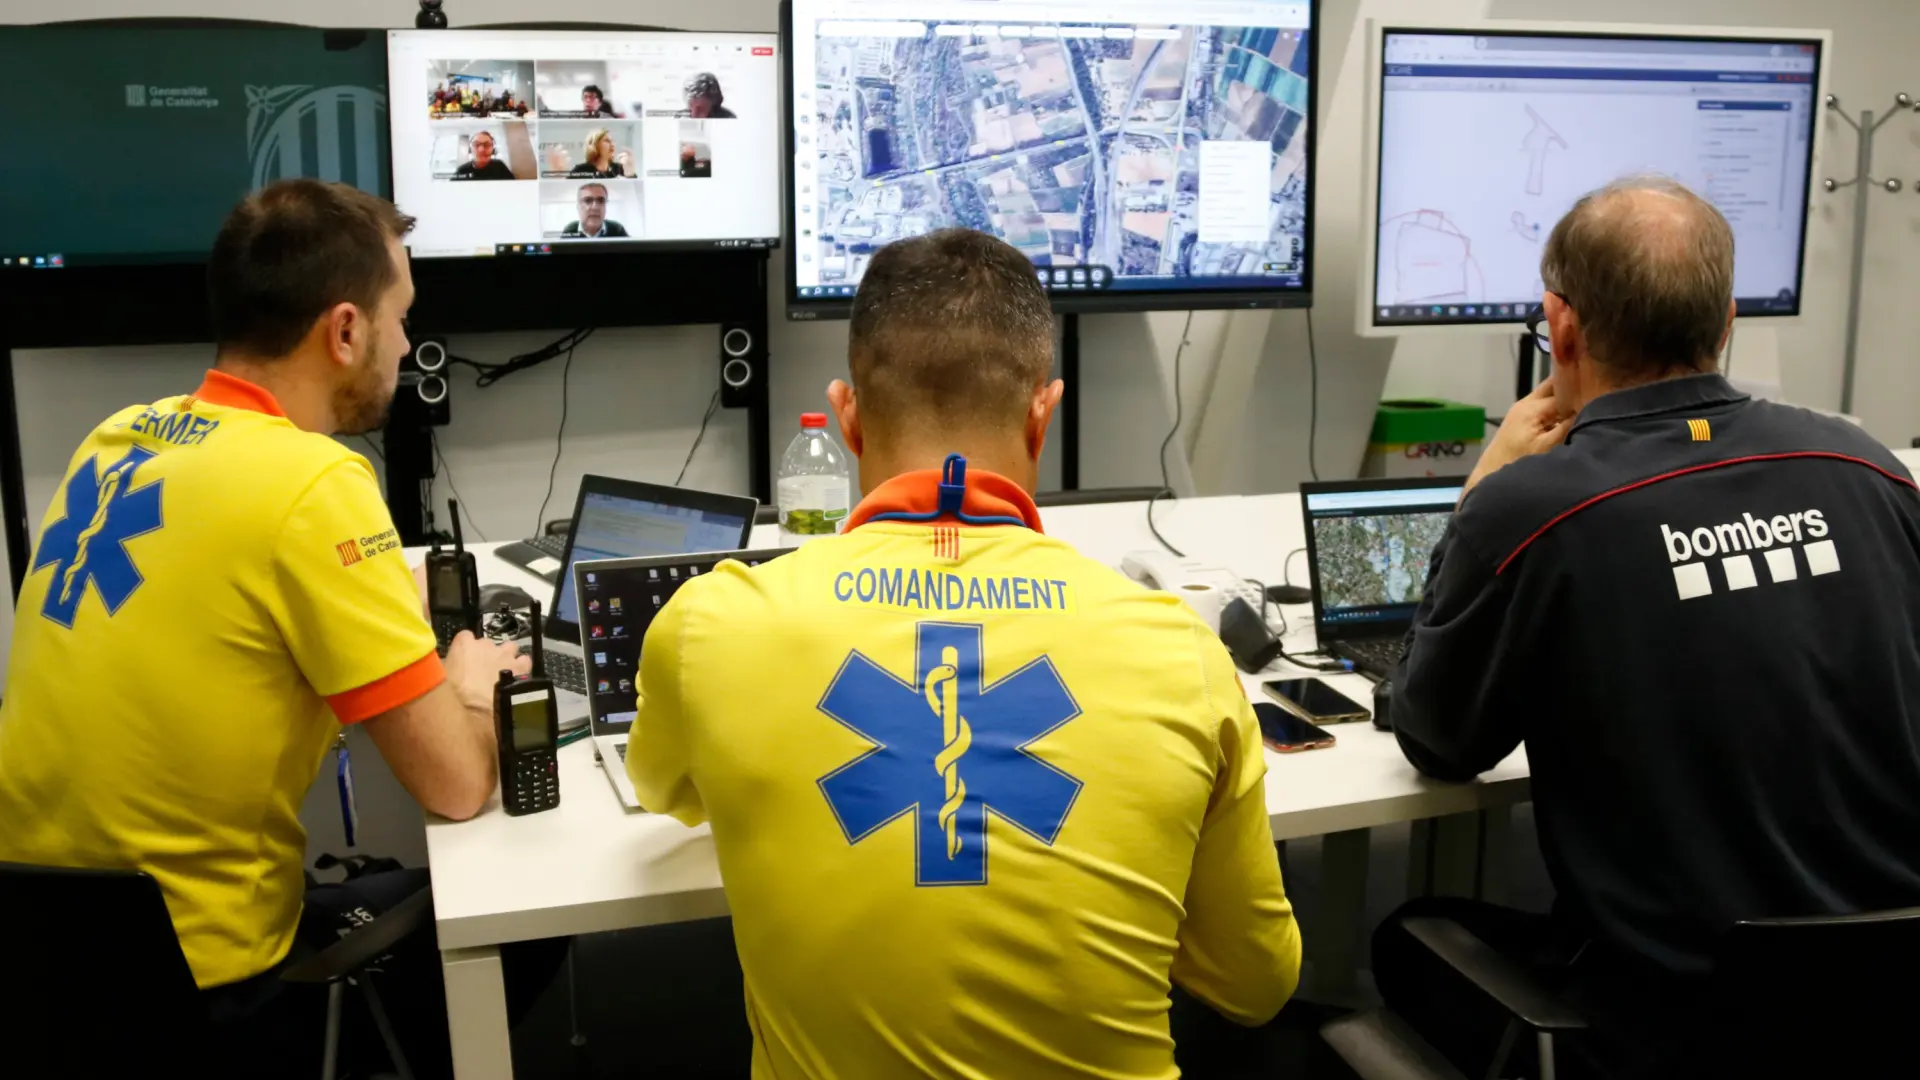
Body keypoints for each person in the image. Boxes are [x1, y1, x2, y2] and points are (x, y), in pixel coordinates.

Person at [625, 228, 1301, 1078]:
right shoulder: (1181, 652)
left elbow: (668, 792)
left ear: (847, 417)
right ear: (1041, 413)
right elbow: (1256, 985)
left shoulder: (712, 627)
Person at [1379, 175, 1920, 1078]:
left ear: (1562, 326)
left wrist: (1482, 493)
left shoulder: (1530, 510)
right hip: (1892, 994)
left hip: (1674, 1017)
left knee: (1402, 936)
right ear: (1728, 320)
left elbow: (1437, 740)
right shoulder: (1868, 467)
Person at [0, 179, 535, 1074]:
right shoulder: (313, 483)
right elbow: (453, 784)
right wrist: (471, 687)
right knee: (520, 911)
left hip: (43, 963)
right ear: (345, 331)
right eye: (399, 317)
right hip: (206, 993)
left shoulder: (118, 439)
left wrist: (367, 594)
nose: (407, 342)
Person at [559, 182, 629, 238]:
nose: (595, 207)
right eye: (588, 200)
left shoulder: (617, 229)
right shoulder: (570, 231)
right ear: (578, 206)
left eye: (601, 200)